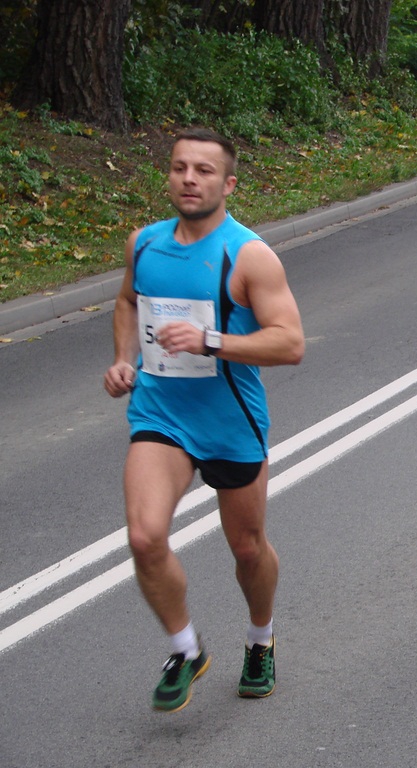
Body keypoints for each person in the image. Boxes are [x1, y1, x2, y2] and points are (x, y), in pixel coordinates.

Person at [103, 127, 305, 712]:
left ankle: (261, 637)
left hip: (230, 421)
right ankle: (186, 649)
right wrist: (122, 359)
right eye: (179, 168)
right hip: (161, 415)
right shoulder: (144, 245)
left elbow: (290, 343)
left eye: (204, 170)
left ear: (229, 183)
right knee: (144, 536)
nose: (189, 179)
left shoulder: (247, 255)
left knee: (246, 549)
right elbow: (126, 301)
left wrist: (210, 340)